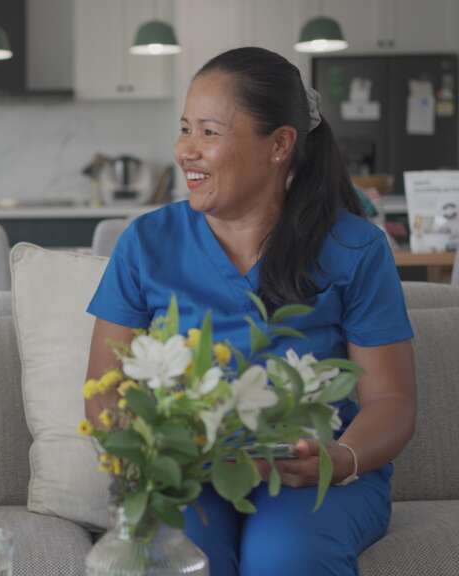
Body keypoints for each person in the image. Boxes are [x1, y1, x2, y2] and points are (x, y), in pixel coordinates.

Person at [84, 47, 416, 576]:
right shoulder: (146, 243)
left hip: (312, 475)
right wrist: (160, 455)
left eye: (209, 133)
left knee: (285, 558)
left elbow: (392, 400)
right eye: (185, 129)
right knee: (180, 557)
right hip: (189, 472)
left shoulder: (355, 248)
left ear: (280, 144)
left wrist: (341, 458)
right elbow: (104, 391)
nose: (185, 150)